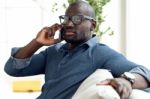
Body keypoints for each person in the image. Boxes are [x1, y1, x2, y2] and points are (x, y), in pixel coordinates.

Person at [4, 0, 150, 99]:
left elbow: (144, 72)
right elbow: (13, 69)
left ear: (93, 25)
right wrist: (37, 43)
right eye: (66, 18)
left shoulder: (100, 53)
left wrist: (127, 81)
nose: (68, 24)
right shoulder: (54, 51)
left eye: (77, 19)